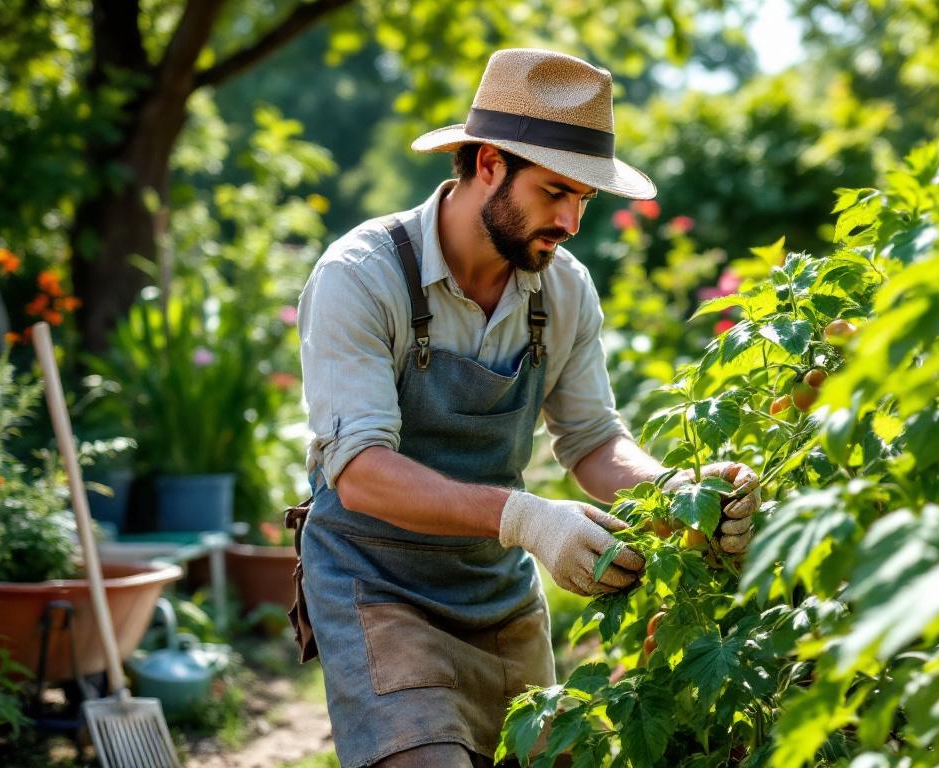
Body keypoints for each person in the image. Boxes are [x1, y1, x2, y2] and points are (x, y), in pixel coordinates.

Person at [294, 48, 761, 768]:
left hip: (495, 591)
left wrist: (680, 491)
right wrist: (525, 517)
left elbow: (594, 441)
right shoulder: (362, 277)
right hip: (374, 584)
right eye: (555, 193)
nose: (572, 221)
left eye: (585, 200)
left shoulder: (563, 291)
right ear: (487, 165)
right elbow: (358, 472)